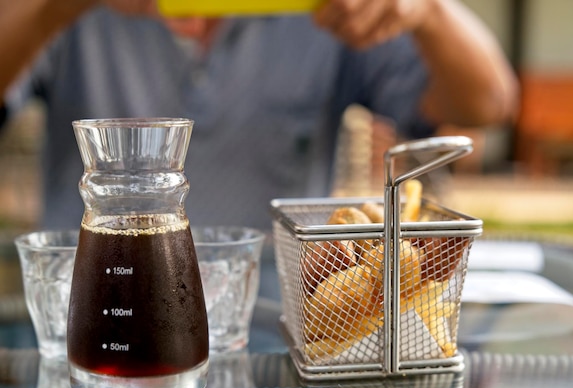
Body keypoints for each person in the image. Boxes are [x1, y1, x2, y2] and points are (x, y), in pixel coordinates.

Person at [0, 0, 518, 232]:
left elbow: (487, 104)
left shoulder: (321, 13)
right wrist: (52, 8)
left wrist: (428, 10)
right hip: (93, 313)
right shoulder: (73, 18)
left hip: (275, 325)